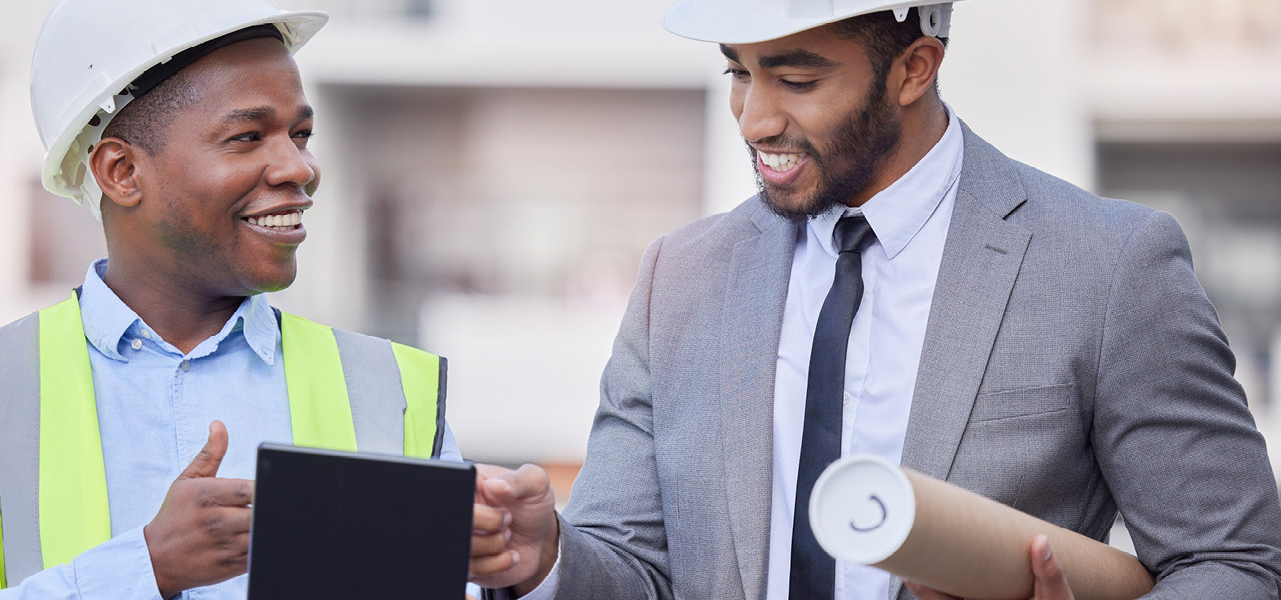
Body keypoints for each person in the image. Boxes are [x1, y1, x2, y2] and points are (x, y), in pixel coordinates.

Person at [468, 1, 1281, 598]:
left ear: (913, 69)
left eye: (795, 78)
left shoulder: (1106, 267)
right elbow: (634, 566)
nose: (754, 118)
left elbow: (1237, 563)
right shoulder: (678, 279)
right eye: (738, 73)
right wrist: (549, 559)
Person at [0, 1, 463, 598]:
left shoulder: (395, 394)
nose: (298, 167)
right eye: (247, 137)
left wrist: (528, 568)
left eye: (300, 134)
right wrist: (146, 569)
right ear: (121, 172)